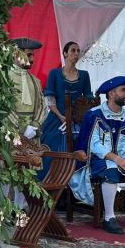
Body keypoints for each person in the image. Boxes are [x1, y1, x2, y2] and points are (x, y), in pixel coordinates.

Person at [69, 76, 125, 234]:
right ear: (111, 93)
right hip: (98, 159)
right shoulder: (94, 115)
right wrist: (116, 159)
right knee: (111, 171)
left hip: (123, 159)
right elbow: (93, 144)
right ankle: (109, 218)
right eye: (124, 90)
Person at [39, 41, 93, 177]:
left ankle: (73, 185)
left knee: (79, 147)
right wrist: (61, 117)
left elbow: (88, 99)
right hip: (57, 118)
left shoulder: (84, 75)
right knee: (51, 147)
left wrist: (78, 118)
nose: (76, 53)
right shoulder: (55, 73)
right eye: (73, 50)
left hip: (76, 121)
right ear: (65, 53)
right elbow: (50, 97)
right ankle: (50, 183)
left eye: (78, 51)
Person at [9, 37, 48, 143]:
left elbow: (42, 106)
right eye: (28, 55)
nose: (32, 59)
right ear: (16, 55)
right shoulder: (4, 78)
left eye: (32, 55)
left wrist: (34, 126)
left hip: (32, 138)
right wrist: (22, 129)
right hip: (10, 137)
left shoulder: (36, 81)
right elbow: (2, 108)